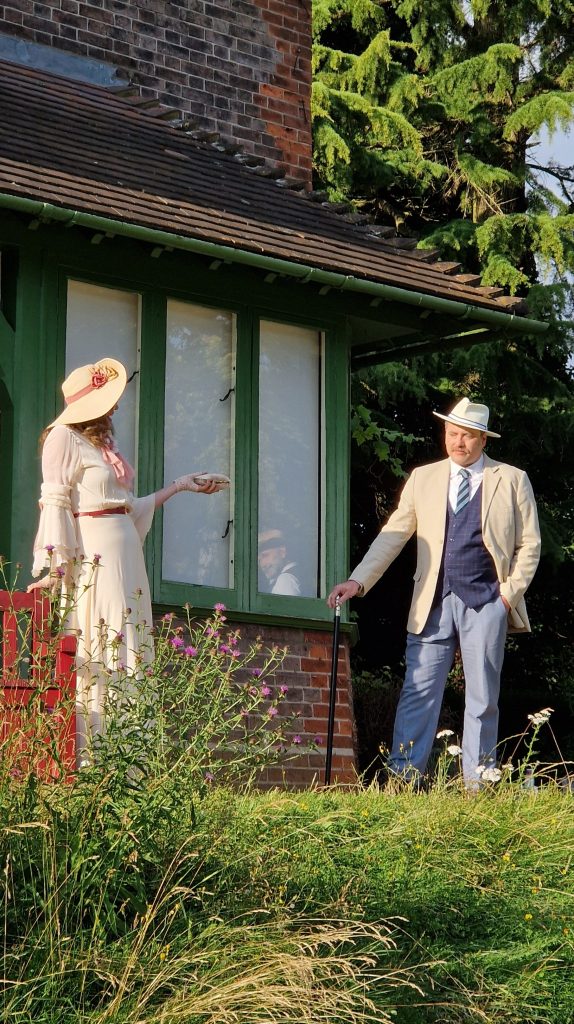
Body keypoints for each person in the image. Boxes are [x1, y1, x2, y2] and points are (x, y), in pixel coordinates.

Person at [327, 398, 541, 786]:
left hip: (487, 601)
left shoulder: (511, 479)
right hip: (432, 602)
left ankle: (478, 785)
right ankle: (403, 779)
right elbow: (394, 534)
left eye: (468, 436)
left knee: (482, 698)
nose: (458, 442)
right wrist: (358, 581)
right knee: (418, 693)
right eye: (452, 433)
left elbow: (530, 544)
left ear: (483, 440)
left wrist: (506, 596)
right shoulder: (423, 478)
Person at [27, 356, 225, 757]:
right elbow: (56, 501)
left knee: (130, 639)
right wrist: (55, 567)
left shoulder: (100, 445)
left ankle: (130, 754)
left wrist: (180, 486)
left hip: (125, 553)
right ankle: (96, 753)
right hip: (95, 552)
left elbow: (127, 507)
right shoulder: (62, 437)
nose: (116, 406)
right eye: (109, 399)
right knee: (103, 638)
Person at [258, 528, 301, 596]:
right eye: (259, 560)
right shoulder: (298, 572)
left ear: (282, 552)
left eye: (265, 555)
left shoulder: (285, 580)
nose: (262, 565)